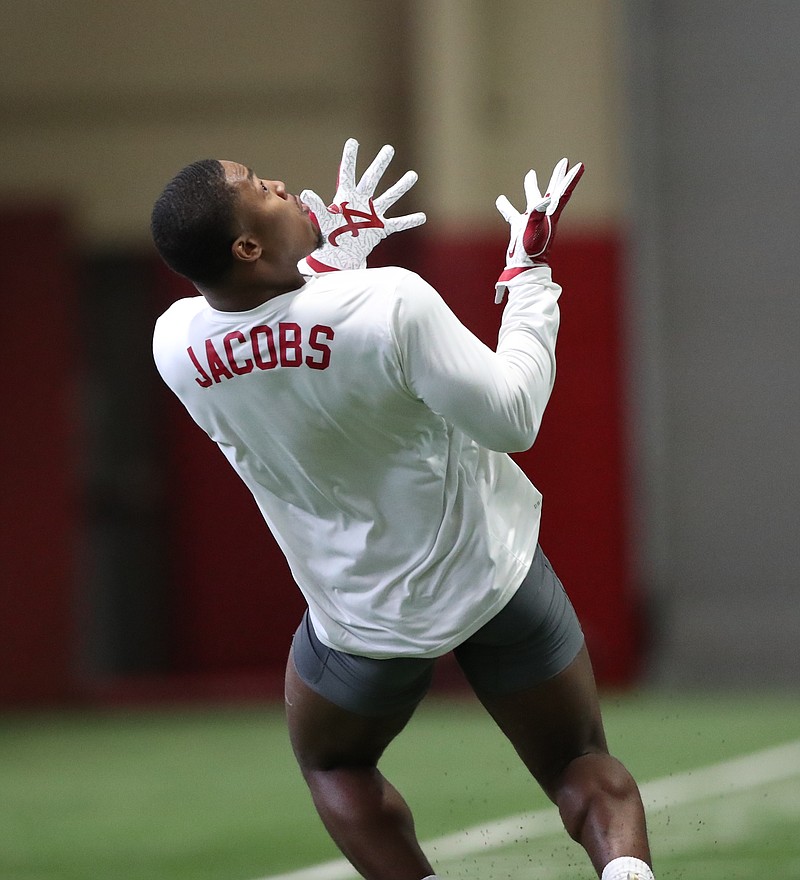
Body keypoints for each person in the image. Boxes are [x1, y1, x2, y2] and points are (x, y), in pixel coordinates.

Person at [150, 139, 655, 880]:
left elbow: (289, 348)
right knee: (579, 764)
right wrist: (530, 278)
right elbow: (513, 417)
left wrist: (328, 264)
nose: (283, 182)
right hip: (493, 576)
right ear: (249, 242)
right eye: (259, 185)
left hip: (359, 618)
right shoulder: (391, 299)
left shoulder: (174, 344)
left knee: (334, 765)